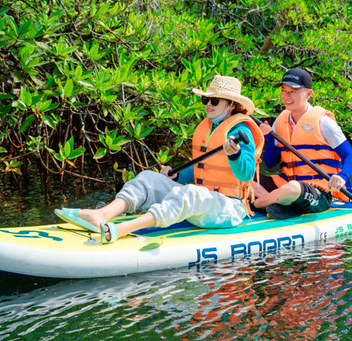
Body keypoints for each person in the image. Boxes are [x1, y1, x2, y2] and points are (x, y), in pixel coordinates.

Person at [54, 75, 265, 243]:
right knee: (148, 178)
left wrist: (235, 154)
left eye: (214, 100)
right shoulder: (209, 127)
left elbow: (245, 173)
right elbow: (203, 170)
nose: (208, 104)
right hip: (205, 200)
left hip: (229, 208)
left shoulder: (241, 130)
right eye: (205, 99)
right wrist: (178, 175)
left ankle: (125, 229)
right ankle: (102, 214)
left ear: (231, 105)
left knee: (189, 193)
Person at [252, 68, 352, 215]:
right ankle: (277, 201)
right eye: (284, 91)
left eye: (293, 91)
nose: (286, 96)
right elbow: (270, 164)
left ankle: (260, 202)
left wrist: (342, 176)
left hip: (320, 191)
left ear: (309, 94)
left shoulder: (324, 122)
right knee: (246, 179)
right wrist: (270, 139)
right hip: (286, 184)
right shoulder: (280, 121)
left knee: (293, 188)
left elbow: (351, 157)